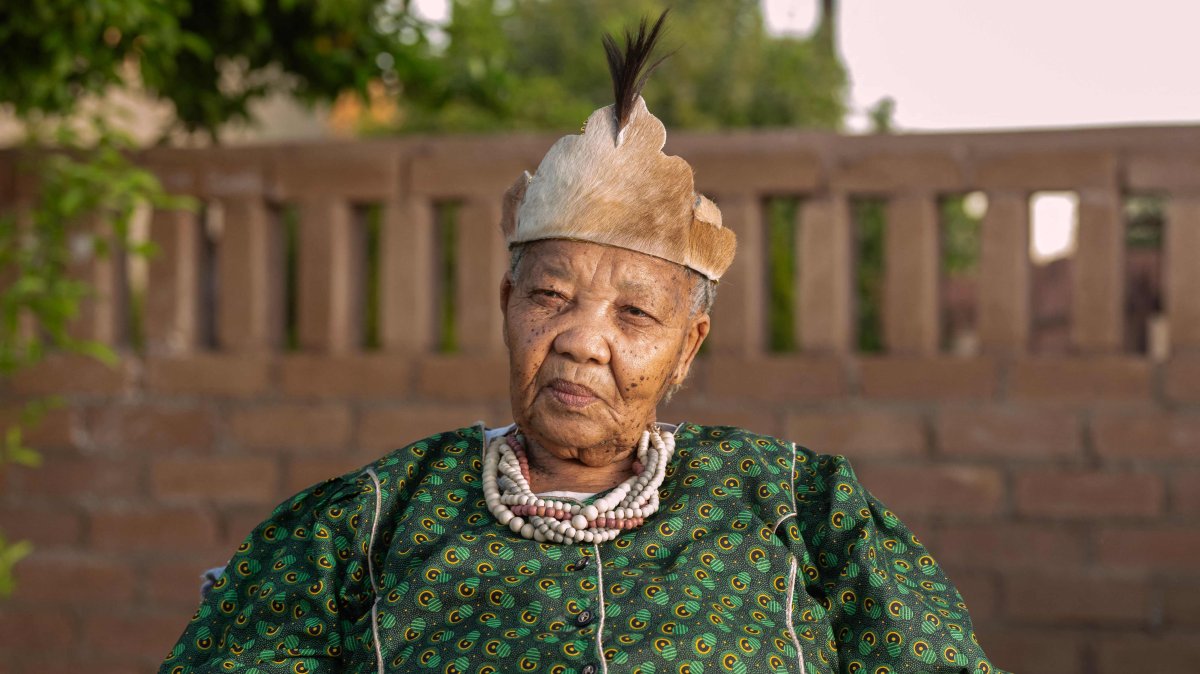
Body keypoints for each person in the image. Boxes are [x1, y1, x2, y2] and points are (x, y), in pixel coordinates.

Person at [160, 13, 1005, 674]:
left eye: (634, 316)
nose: (581, 341)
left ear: (687, 348)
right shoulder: (368, 521)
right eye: (552, 296)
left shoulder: (801, 505)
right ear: (507, 305)